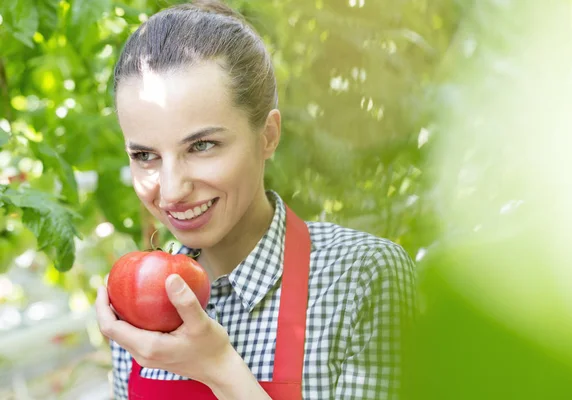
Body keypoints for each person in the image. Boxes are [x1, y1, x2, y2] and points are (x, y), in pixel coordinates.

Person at [94, 1, 416, 399]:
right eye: (145, 156)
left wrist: (218, 369)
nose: (172, 190)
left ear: (268, 136)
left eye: (202, 146)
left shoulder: (361, 277)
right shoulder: (136, 301)